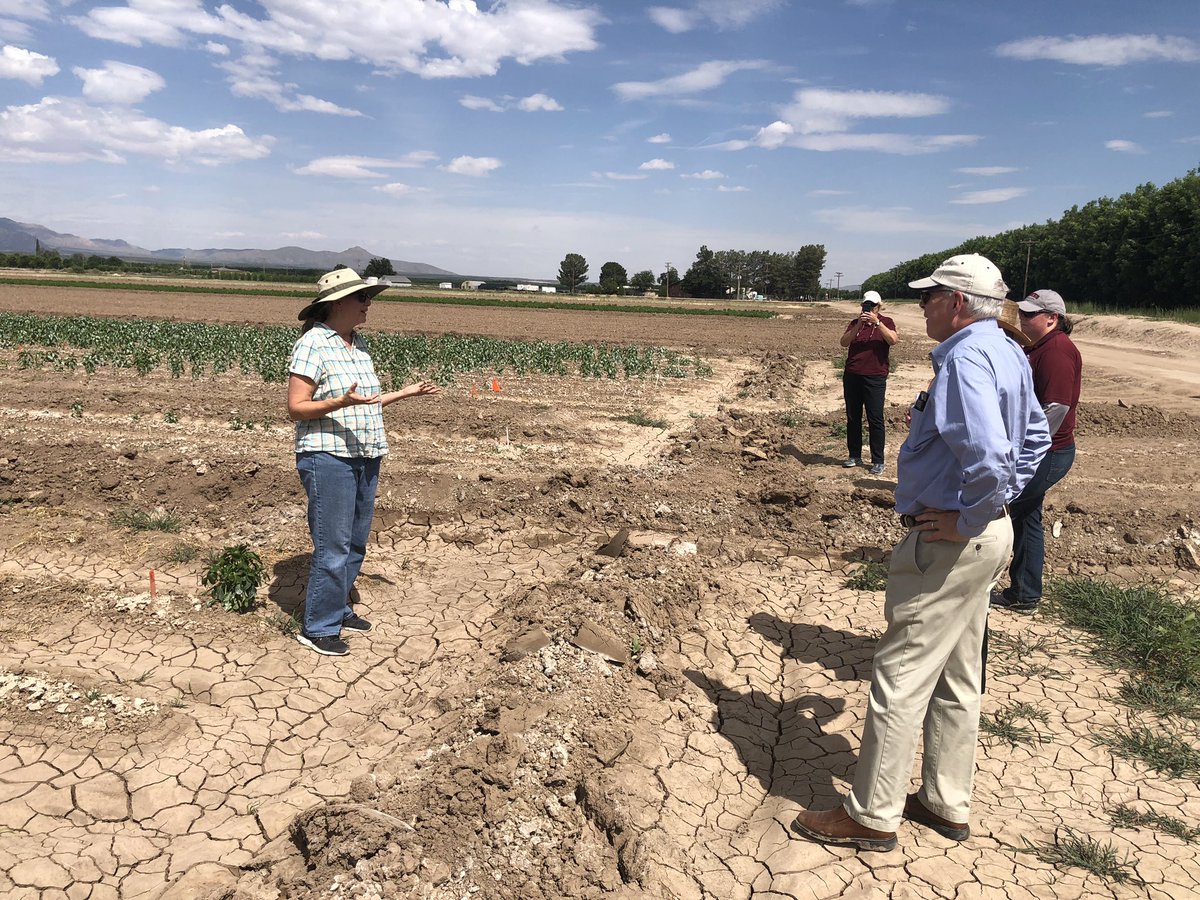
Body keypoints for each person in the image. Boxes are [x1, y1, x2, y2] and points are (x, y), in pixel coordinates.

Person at [791, 253, 1049, 851]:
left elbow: (988, 453)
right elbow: (1034, 438)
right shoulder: (1008, 349)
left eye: (929, 297)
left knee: (901, 676)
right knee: (958, 678)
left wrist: (967, 517)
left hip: (949, 543)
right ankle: (943, 802)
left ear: (957, 301)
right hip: (986, 536)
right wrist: (995, 511)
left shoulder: (964, 357)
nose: (922, 307)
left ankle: (872, 814)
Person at [287, 267, 441, 656]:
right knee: (333, 545)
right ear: (337, 303)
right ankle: (318, 627)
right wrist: (337, 402)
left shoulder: (358, 345)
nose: (368, 304)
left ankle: (338, 609)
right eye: (362, 298)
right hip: (328, 457)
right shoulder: (313, 344)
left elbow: (365, 403)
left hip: (366, 453)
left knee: (355, 542)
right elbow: (296, 407)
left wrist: (405, 393)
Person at [991, 289, 1081, 614]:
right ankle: (1024, 593)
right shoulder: (1039, 346)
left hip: (1050, 453)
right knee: (1027, 517)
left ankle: (1013, 588)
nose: (1023, 318)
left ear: (1051, 319)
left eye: (1030, 314)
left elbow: (1056, 407)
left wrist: (1025, 446)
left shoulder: (1057, 350)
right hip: (1045, 451)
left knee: (1008, 508)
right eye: (1023, 313)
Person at [840, 291, 898, 475]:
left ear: (879, 306)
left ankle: (878, 460)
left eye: (872, 306)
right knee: (853, 417)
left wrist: (877, 323)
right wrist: (858, 325)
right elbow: (843, 342)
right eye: (866, 305)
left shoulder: (886, 322)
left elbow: (893, 340)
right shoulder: (855, 323)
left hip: (875, 376)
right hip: (852, 375)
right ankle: (854, 455)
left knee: (875, 418)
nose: (869, 309)